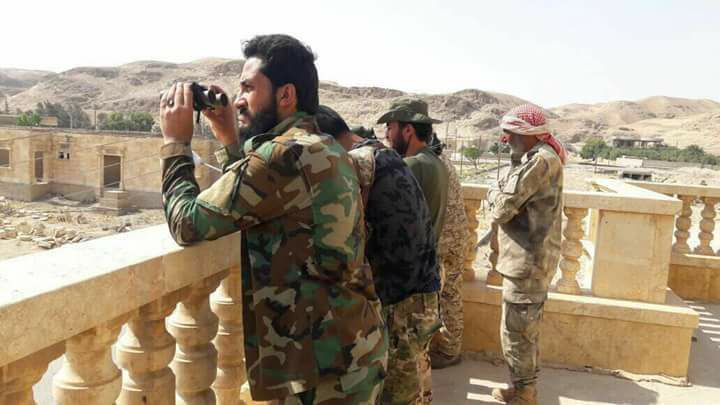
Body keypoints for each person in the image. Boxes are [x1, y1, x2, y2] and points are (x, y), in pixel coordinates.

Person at [159, 34, 387, 404]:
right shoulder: (320, 144)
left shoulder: (284, 155)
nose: (239, 100)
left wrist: (174, 143)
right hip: (350, 350)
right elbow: (259, 199)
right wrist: (230, 137)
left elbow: (186, 223)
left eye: (249, 89)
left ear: (286, 95)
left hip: (322, 370)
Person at [316, 105, 441, 405]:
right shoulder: (382, 156)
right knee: (413, 387)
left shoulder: (358, 163)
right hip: (418, 296)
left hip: (404, 305)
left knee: (398, 396)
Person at [487, 104, 566, 405]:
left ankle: (524, 394)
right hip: (528, 263)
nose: (506, 140)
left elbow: (501, 208)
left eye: (510, 133)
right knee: (521, 330)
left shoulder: (540, 162)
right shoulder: (536, 158)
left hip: (528, 264)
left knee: (519, 333)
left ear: (528, 133)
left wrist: (493, 193)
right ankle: (522, 388)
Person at [377, 98, 447, 403]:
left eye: (390, 128)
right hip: (428, 271)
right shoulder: (434, 163)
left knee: (401, 367)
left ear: (407, 130)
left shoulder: (411, 166)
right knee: (419, 355)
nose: (387, 135)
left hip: (409, 281)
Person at [427, 133, 469, 369]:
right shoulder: (442, 159)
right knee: (450, 293)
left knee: (447, 295)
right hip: (455, 237)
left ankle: (449, 350)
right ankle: (449, 347)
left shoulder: (432, 163)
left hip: (445, 239)